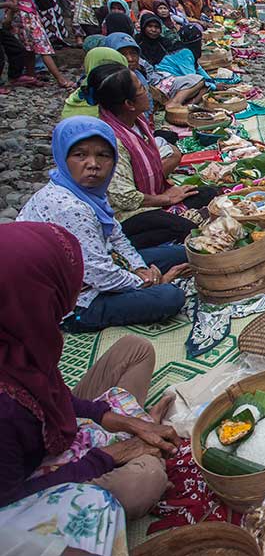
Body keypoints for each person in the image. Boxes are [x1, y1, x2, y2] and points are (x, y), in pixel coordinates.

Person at [0, 221, 179, 520]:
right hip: (21, 497)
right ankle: (142, 448)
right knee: (145, 481)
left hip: (46, 432)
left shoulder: (19, 333)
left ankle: (139, 424)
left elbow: (50, 397)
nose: (76, 291)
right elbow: (9, 504)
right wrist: (115, 454)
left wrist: (124, 422)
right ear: (35, 293)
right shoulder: (4, 407)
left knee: (135, 348)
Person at [18, 117, 188, 331]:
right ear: (62, 157)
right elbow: (99, 275)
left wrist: (140, 267)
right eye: (80, 155)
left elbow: (116, 235)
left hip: (100, 266)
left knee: (182, 253)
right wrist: (147, 282)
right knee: (170, 297)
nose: (93, 165)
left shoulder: (88, 191)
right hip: (73, 300)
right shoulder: (69, 206)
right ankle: (79, 321)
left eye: (103, 155)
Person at [90, 63, 213, 247]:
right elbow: (125, 198)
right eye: (141, 88)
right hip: (127, 215)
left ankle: (172, 214)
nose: (147, 90)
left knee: (210, 193)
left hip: (151, 197)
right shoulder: (111, 141)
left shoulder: (136, 121)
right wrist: (166, 198)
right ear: (129, 104)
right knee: (188, 230)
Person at [1, 0, 72, 87]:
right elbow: (14, 3)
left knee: (30, 48)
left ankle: (31, 76)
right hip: (25, 16)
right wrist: (8, 18)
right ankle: (60, 79)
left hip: (23, 16)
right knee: (43, 46)